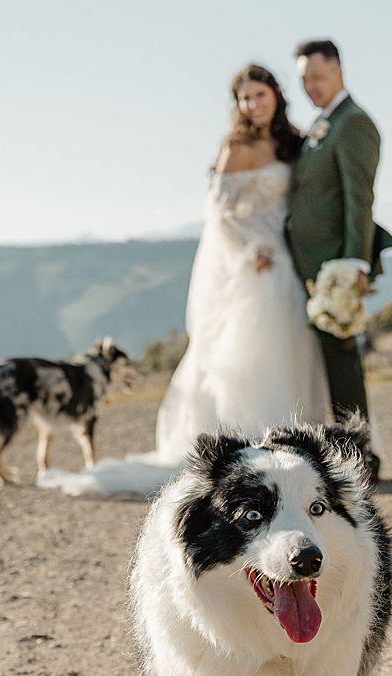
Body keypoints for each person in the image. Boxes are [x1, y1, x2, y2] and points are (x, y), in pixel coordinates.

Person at [39, 64, 328, 497]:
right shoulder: (237, 146)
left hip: (287, 256)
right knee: (254, 352)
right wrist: (252, 251)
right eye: (245, 98)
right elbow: (220, 212)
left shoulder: (291, 143)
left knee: (293, 349)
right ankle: (255, 449)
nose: (253, 104)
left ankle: (301, 448)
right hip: (256, 261)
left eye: (259, 95)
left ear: (275, 95)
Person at [287, 38, 392, 481]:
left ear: (338, 70)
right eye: (304, 80)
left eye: (318, 76)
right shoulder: (323, 123)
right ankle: (341, 454)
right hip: (313, 265)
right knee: (331, 361)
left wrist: (355, 264)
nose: (311, 86)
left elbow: (359, 199)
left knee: (343, 360)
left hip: (337, 266)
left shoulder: (354, 123)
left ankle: (361, 460)